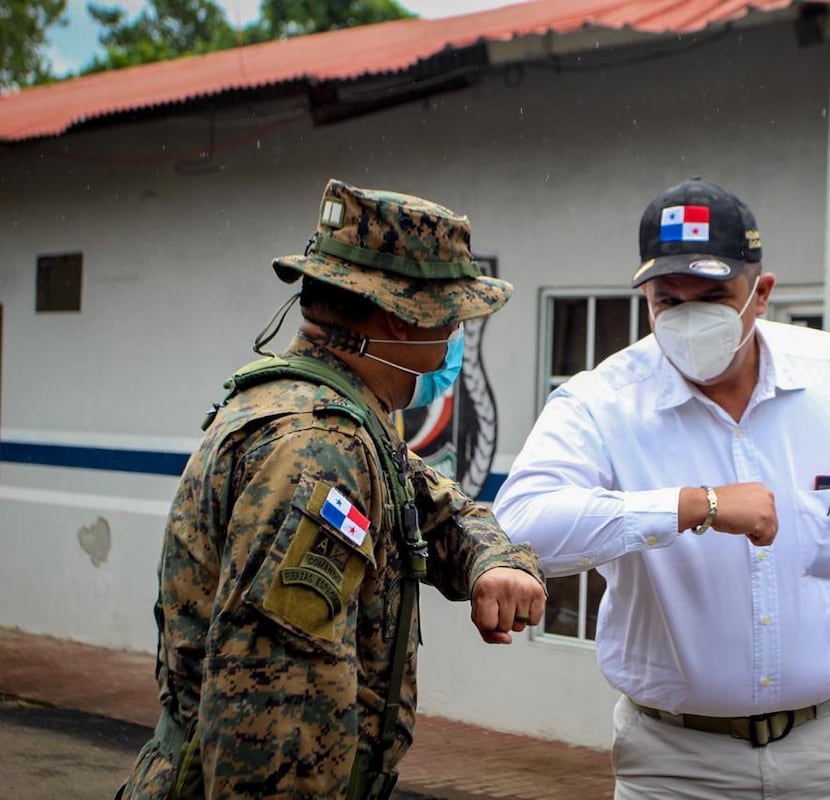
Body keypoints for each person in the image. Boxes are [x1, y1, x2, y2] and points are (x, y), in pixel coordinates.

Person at [493, 176, 830, 798]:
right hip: (677, 762)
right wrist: (691, 505)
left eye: (713, 295)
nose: (688, 317)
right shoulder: (602, 403)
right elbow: (518, 528)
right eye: (667, 300)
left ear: (762, 294)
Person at [120, 179, 547, 800]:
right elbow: (272, 729)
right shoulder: (319, 449)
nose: (455, 336)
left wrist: (493, 560)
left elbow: (431, 502)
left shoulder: (331, 416)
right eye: (451, 317)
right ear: (397, 317)